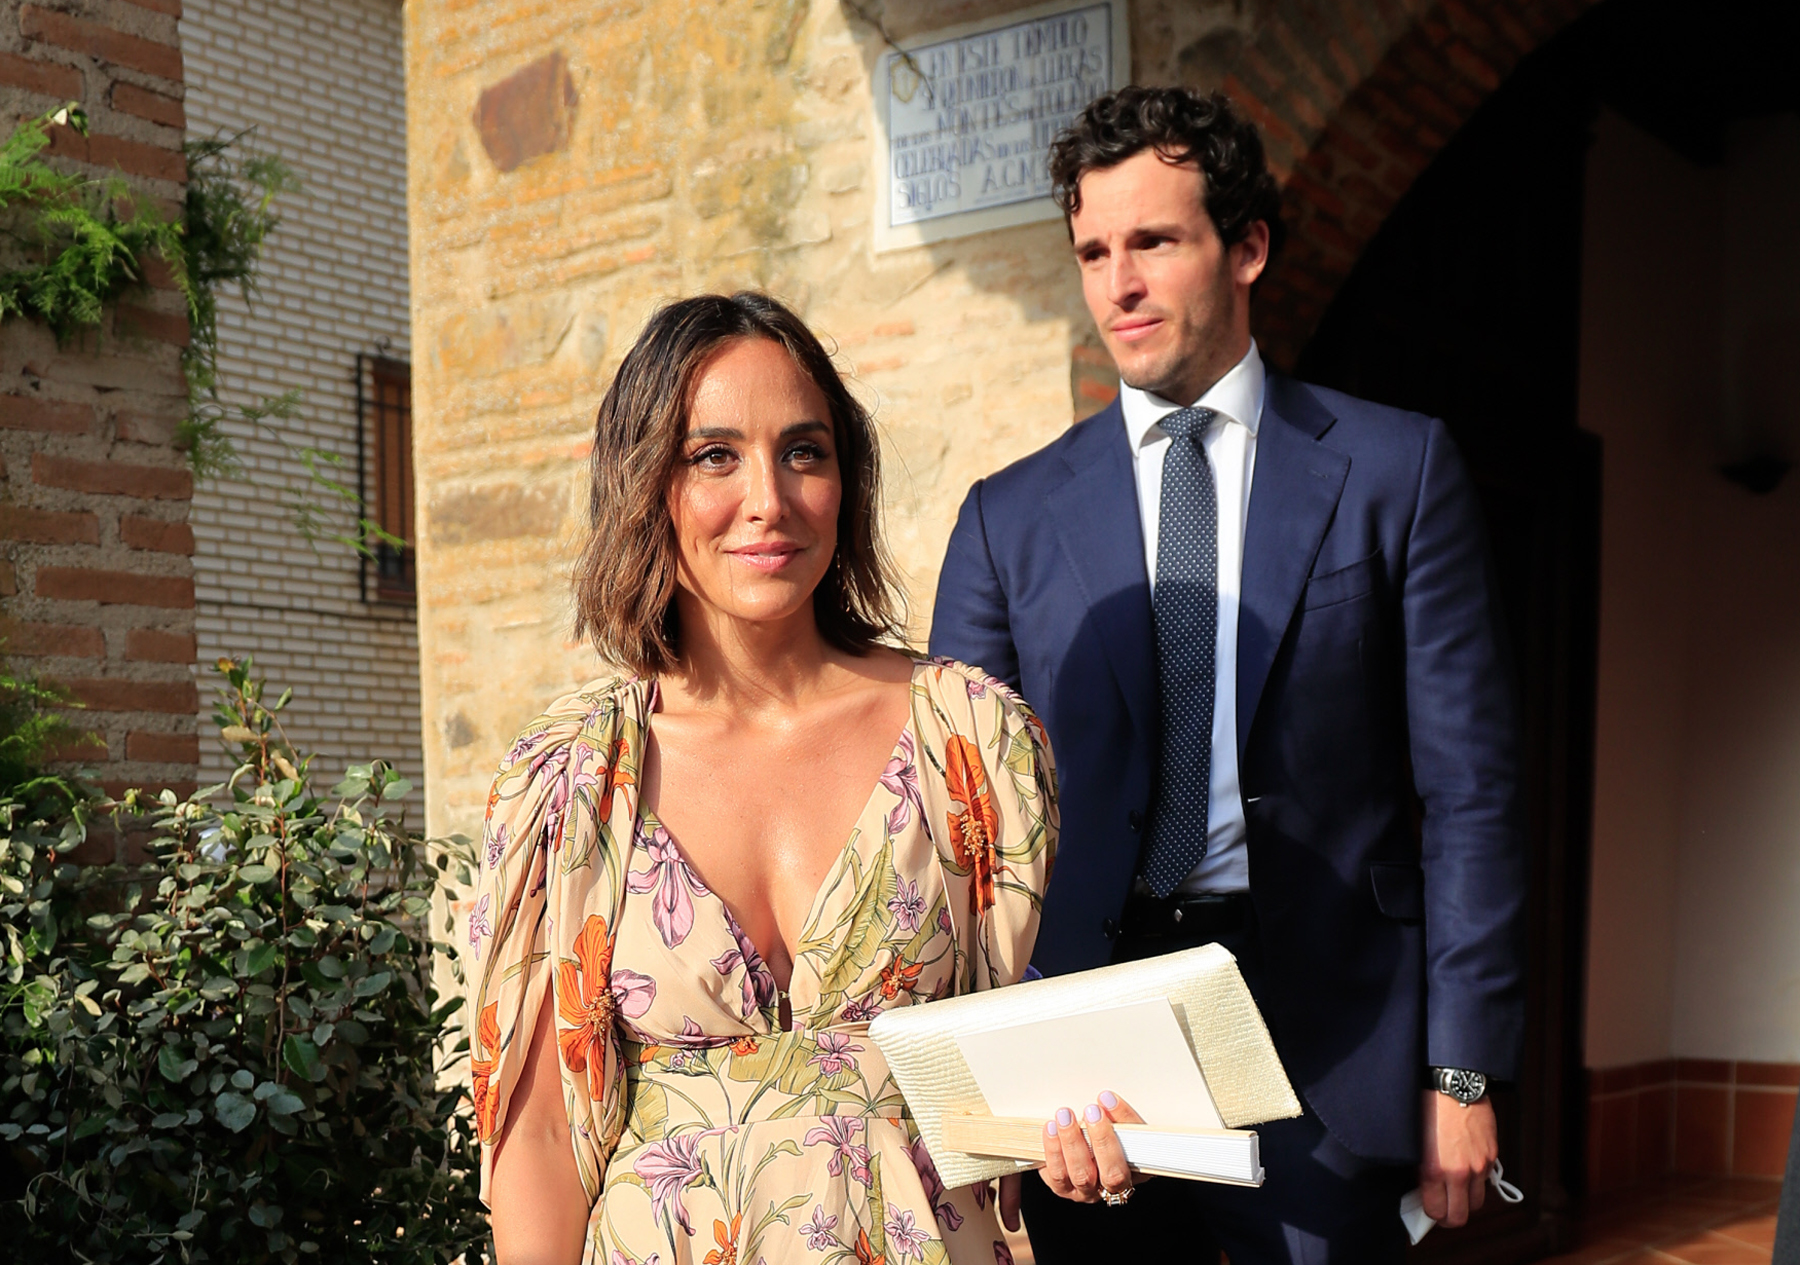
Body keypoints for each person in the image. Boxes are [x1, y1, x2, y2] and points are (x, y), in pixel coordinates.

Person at [929, 87, 1526, 1263]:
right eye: (1094, 251)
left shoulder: (1396, 472)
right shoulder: (1007, 521)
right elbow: (963, 823)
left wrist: (1463, 1065)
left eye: (1153, 241)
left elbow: (1473, 792)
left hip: (1330, 1042)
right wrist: (979, 1064)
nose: (1118, 284)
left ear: (1246, 247)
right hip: (1088, 1053)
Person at [465, 292, 1059, 1265]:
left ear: (845, 480)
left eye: (804, 451)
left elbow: (1029, 1049)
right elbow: (534, 1137)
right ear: (643, 481)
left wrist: (1086, 1141)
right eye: (714, 456)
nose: (768, 500)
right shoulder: (573, 781)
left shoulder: (972, 739)